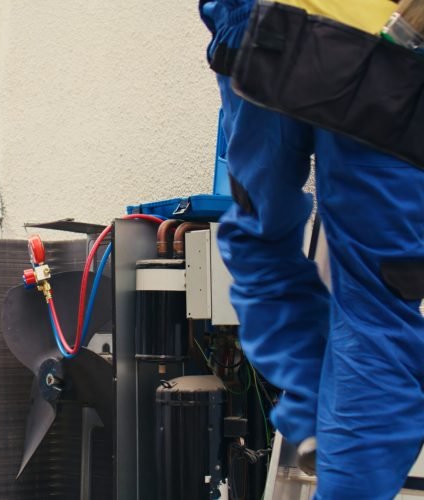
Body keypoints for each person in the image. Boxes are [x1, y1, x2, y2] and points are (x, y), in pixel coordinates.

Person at [200, 1, 424, 499]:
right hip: (384, 50)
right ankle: (335, 431)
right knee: (376, 309)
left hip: (266, 28)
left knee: (259, 239)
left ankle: (318, 413)